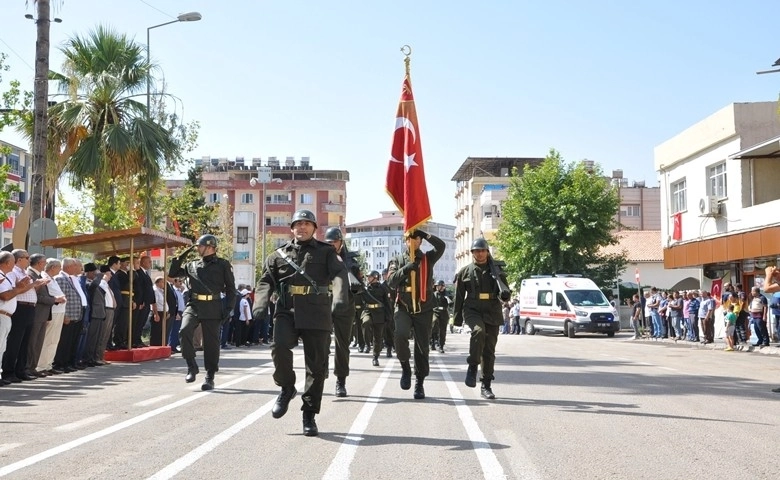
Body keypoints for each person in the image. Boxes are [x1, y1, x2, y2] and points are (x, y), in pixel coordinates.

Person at [252, 210, 348, 436]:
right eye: (298, 224)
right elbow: (265, 280)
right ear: (292, 228)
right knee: (279, 347)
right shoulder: (277, 255)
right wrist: (260, 303)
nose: (302, 227)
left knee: (316, 367)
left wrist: (341, 298)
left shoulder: (326, 252)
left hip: (317, 313)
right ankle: (286, 387)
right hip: (287, 311)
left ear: (315, 228)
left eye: (307, 224)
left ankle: (309, 414)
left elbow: (339, 275)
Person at [169, 234, 236, 391]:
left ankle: (210, 376)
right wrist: (181, 256)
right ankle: (191, 366)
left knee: (211, 344)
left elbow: (231, 289)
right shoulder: (192, 265)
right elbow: (172, 274)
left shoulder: (222, 265)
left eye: (200, 246)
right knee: (184, 330)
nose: (197, 249)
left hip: (213, 305)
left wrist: (228, 309)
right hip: (194, 304)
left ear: (210, 247)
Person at [386, 228, 446, 400]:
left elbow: (441, 246)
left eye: (416, 238)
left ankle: (419, 382)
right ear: (405, 241)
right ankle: (405, 367)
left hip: (424, 308)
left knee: (422, 347)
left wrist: (425, 233)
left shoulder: (428, 258)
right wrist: (406, 268)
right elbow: (390, 282)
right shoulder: (397, 260)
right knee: (400, 335)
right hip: (404, 306)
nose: (412, 241)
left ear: (420, 241)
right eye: (409, 238)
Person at [452, 238, 511, 400]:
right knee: (478, 332)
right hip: (472, 308)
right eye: (476, 251)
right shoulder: (465, 272)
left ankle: (486, 385)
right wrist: (456, 319)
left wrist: (505, 295)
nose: (480, 253)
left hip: (492, 309)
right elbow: (458, 297)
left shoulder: (497, 270)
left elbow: (504, 291)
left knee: (489, 351)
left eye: (482, 250)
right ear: (472, 253)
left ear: (487, 252)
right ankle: (472, 366)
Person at [322, 226, 363, 398]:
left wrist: (355, 283)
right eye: (329, 242)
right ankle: (321, 371)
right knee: (320, 340)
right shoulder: (320, 258)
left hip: (345, 304)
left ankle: (341, 381)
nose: (332, 245)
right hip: (324, 303)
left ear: (341, 242)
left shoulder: (351, 261)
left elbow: (360, 287)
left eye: (335, 242)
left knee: (342, 344)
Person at [362, 270, 393, 366]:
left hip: (379, 314)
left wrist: (389, 317)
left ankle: (375, 357)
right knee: (366, 322)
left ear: (375, 277)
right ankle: (367, 344)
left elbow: (387, 303)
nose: (368, 278)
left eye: (370, 277)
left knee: (378, 337)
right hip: (368, 312)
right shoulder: (365, 288)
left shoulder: (383, 288)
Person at [431, 280, 451, 352]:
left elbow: (451, 303)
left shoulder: (447, 294)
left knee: (443, 331)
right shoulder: (433, 294)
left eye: (440, 286)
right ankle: (433, 341)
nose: (438, 287)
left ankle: (441, 345)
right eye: (437, 286)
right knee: (434, 323)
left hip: (444, 313)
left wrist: (448, 298)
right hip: (435, 312)